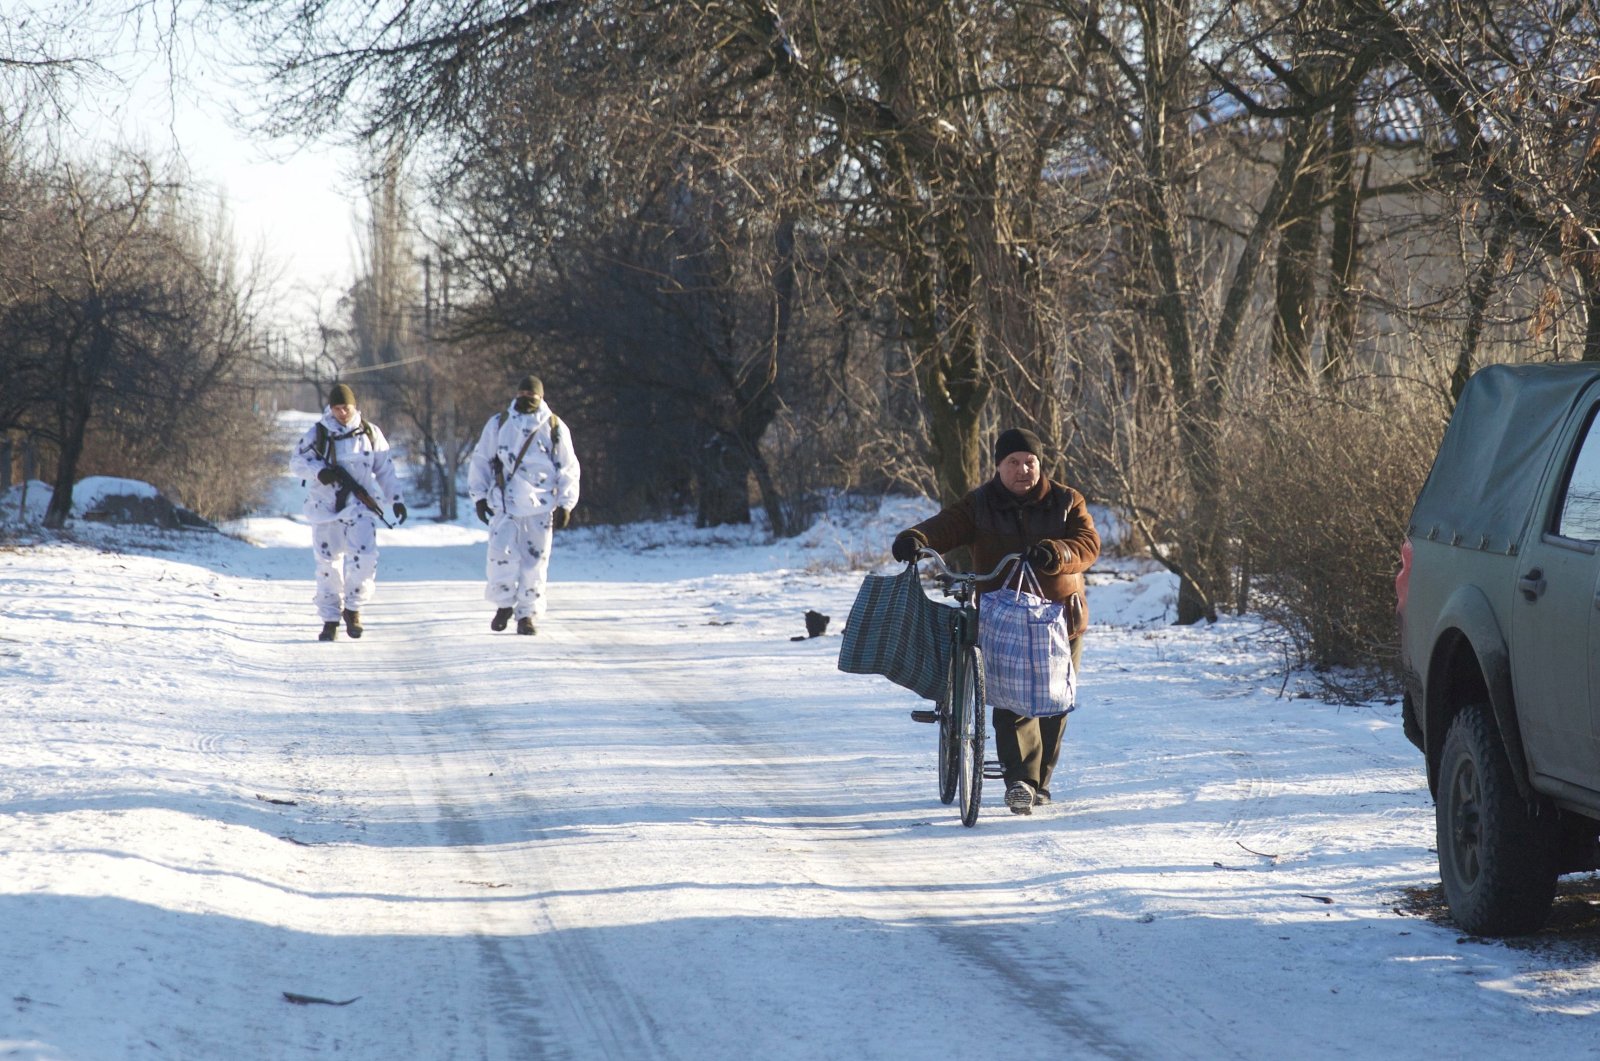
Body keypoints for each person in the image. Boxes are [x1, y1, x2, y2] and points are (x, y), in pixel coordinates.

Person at [891, 427, 1100, 816]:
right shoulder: (980, 504)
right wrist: (916, 538)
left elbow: (1088, 544)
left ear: (1041, 465)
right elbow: (946, 525)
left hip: (1058, 617)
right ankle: (1020, 781)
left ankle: (1040, 783)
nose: (1023, 470)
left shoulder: (1067, 501)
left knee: (1054, 702)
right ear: (999, 466)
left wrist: (1055, 552)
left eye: (1030, 462)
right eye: (1014, 462)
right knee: (1009, 698)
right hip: (1004, 619)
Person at [288, 382, 408, 641]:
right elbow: (296, 462)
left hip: (360, 508)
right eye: (337, 408)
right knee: (328, 566)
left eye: (346, 407)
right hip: (325, 509)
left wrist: (395, 499)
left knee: (365, 559)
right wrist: (319, 472)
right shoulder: (317, 433)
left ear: (355, 406)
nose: (342, 413)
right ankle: (330, 619)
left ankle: (353, 609)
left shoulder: (370, 433)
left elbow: (385, 469)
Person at [467, 374, 581, 635]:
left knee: (534, 563)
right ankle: (504, 604)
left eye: (532, 395)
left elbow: (568, 467)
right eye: (523, 394)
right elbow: (481, 460)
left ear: (540, 397)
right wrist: (480, 497)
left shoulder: (554, 427)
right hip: (504, 503)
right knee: (500, 558)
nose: (526, 399)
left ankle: (527, 615)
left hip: (540, 506)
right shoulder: (498, 424)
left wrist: (566, 503)